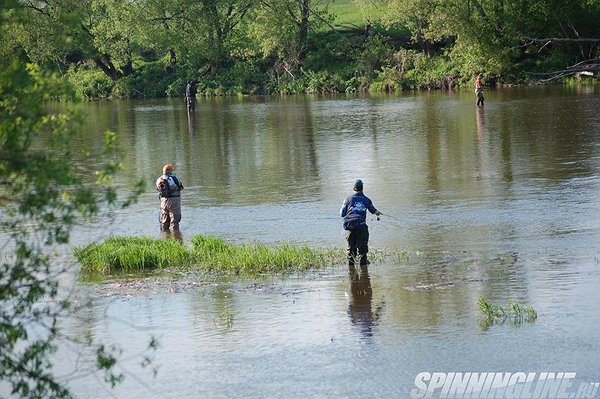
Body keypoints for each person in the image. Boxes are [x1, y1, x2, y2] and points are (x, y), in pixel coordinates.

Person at [340, 179, 381, 267]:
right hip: (361, 226)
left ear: (354, 188)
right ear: (362, 188)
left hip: (349, 226)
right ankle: (364, 272)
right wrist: (378, 213)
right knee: (362, 250)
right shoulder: (367, 200)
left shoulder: (347, 199)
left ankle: (351, 272)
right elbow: (373, 210)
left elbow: (342, 214)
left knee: (351, 250)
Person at [156, 164, 184, 231]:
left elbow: (158, 189)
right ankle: (176, 237)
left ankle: (165, 236)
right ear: (170, 171)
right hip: (174, 201)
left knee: (165, 221)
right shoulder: (174, 178)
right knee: (175, 221)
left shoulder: (159, 180)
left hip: (163, 201)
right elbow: (180, 187)